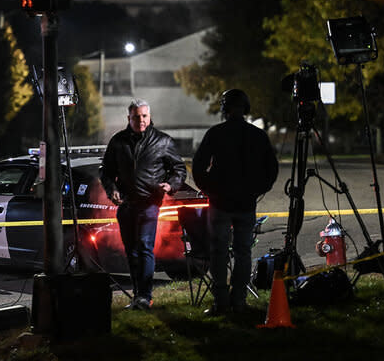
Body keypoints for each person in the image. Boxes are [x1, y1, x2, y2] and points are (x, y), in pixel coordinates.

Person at [192, 89, 279, 315]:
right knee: (243, 253)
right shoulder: (258, 135)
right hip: (246, 205)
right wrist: (257, 190)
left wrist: (209, 189)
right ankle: (239, 301)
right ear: (246, 108)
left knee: (219, 253)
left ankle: (221, 302)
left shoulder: (216, 133)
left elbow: (199, 166)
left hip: (220, 204)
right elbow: (271, 169)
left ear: (225, 108)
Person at [100, 99, 187, 310]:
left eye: (144, 116)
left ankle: (145, 297)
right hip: (126, 205)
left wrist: (171, 184)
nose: (141, 120)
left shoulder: (162, 141)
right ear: (128, 118)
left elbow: (179, 168)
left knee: (145, 247)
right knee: (131, 251)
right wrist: (112, 190)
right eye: (136, 117)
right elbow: (106, 171)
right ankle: (138, 295)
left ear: (150, 116)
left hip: (150, 203)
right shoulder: (118, 142)